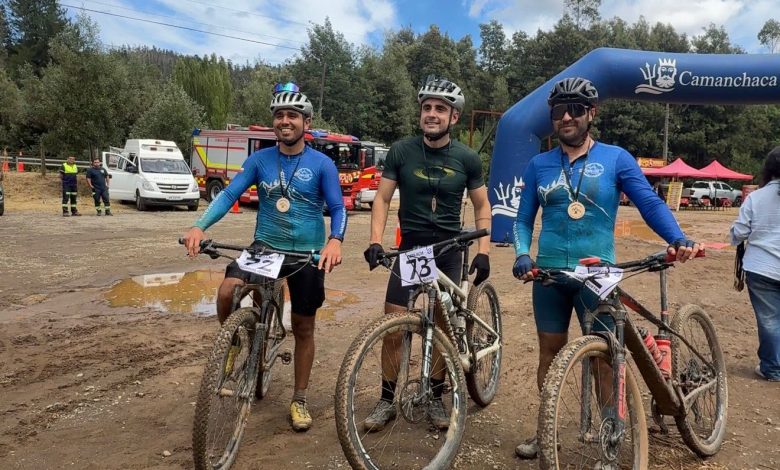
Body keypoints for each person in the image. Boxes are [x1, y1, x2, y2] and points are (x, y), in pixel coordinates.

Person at [511, 77, 701, 458]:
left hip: (597, 276)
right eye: (559, 111)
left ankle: (610, 438)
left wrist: (677, 237)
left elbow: (649, 202)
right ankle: (545, 431)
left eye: (575, 109)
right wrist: (521, 253)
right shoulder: (538, 164)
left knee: (604, 358)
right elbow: (522, 219)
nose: (566, 117)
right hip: (549, 275)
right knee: (549, 354)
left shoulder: (616, 158)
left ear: (591, 113)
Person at [182, 82, 347, 431]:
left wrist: (335, 240)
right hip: (266, 247)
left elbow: (337, 207)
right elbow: (229, 195)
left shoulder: (322, 164)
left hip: (306, 253)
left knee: (303, 326)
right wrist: (199, 226)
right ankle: (234, 340)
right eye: (279, 115)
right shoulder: (259, 160)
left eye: (292, 115)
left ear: (306, 122)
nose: (285, 121)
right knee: (227, 291)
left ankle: (299, 398)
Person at [362, 75, 492, 431]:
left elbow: (482, 206)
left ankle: (434, 396)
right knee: (392, 325)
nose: (432, 114)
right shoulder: (401, 151)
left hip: (449, 249)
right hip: (413, 249)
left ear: (454, 117)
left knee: (440, 326)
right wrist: (375, 241)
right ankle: (387, 400)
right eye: (427, 108)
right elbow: (382, 199)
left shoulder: (467, 158)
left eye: (440, 109)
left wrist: (483, 251)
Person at [730, 146, 780, 382]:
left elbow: (739, 233)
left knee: (769, 320)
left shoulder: (756, 198)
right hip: (763, 267)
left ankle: (772, 369)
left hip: (761, 267)